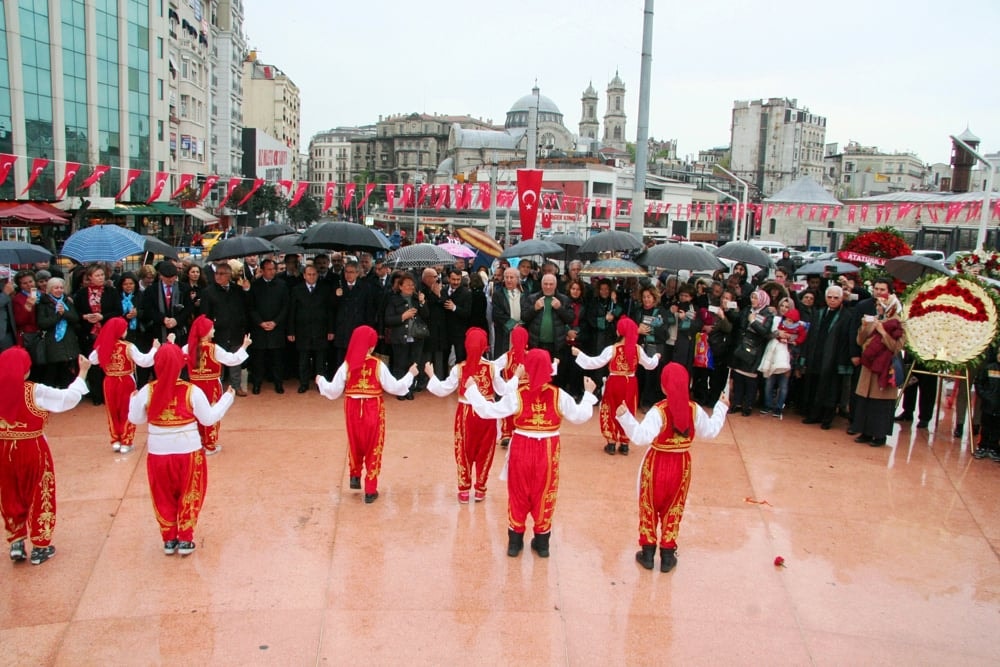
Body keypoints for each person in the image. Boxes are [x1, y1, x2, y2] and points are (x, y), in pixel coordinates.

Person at [464, 348, 597, 559]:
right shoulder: (558, 395)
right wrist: (589, 395)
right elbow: (580, 416)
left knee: (518, 492)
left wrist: (472, 391)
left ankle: (515, 542)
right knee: (544, 492)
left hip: (521, 448)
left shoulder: (518, 395)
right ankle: (542, 542)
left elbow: (488, 411)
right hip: (547, 449)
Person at [616, 362, 729, 573]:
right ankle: (668, 555)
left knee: (649, 505)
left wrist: (624, 417)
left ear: (664, 386)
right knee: (674, 507)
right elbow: (711, 431)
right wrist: (721, 407)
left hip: (656, 463)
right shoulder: (694, 410)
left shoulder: (659, 411)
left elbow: (640, 437)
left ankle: (648, 552)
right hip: (681, 465)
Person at [128, 343, 235, 556]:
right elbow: (208, 418)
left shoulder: (147, 391)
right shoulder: (191, 390)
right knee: (190, 492)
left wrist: (133, 402)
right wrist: (227, 399)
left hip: (158, 454)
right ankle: (185, 538)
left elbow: (135, 418)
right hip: (189, 451)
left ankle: (169, 540)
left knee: (163, 495)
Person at [0, 348, 90, 565]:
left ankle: (16, 542)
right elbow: (66, 399)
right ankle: (40, 546)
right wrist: (82, 373)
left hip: (3, 449)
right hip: (32, 448)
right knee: (40, 492)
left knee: (10, 493)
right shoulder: (34, 391)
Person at [317, 326, 417, 504]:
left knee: (355, 442)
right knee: (373, 445)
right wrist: (410, 375)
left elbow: (333, 391)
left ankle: (355, 475)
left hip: (352, 409)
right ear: (371, 346)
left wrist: (321, 381)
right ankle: (370, 489)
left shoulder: (347, 365)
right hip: (372, 408)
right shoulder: (377, 365)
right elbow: (394, 387)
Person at [426, 328, 505, 503]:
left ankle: (464, 489)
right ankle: (480, 490)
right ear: (485, 346)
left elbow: (443, 389)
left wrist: (431, 375)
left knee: (464, 450)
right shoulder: (492, 368)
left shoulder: (459, 369)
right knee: (486, 451)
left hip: (466, 414)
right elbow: (502, 390)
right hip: (487, 414)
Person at [574, 318, 659, 455]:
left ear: (620, 331)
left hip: (614, 382)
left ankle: (611, 443)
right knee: (628, 410)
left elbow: (595, 362)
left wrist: (579, 355)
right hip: (630, 384)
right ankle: (625, 443)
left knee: (611, 409)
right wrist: (656, 357)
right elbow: (650, 364)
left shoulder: (612, 349)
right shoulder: (638, 350)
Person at [183, 315, 251, 455]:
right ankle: (209, 444)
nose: (214, 330)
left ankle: (198, 442)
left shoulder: (188, 347)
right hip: (211, 386)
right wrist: (244, 346)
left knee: (195, 414)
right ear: (206, 331)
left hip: (194, 386)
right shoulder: (214, 349)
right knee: (212, 413)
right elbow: (232, 360)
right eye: (211, 328)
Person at [88, 317, 158, 454]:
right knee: (127, 410)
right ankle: (126, 440)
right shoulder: (128, 347)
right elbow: (144, 361)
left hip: (109, 381)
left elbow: (92, 360)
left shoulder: (103, 346)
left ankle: (115, 440)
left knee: (112, 411)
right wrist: (154, 349)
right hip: (125, 381)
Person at [849, 295, 904, 446]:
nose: (878, 308)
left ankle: (879, 435)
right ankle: (865, 431)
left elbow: (896, 347)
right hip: (868, 366)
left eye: (880, 305)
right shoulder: (874, 319)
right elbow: (860, 341)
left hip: (884, 368)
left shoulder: (897, 323)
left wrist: (883, 332)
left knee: (879, 403)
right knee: (865, 400)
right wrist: (865, 327)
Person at [801, 286, 854, 429]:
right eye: (830, 297)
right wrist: (804, 358)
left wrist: (843, 363)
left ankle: (827, 419)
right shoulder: (818, 313)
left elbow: (847, 341)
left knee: (830, 390)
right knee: (814, 387)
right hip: (816, 356)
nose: (832, 300)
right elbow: (810, 336)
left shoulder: (846, 316)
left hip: (833, 359)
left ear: (841, 298)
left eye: (836, 298)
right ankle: (813, 415)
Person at [197, 262, 251, 395]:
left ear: (229, 275)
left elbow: (247, 306)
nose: (218, 276)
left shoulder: (237, 290)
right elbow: (204, 313)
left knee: (235, 359)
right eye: (217, 273)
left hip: (235, 330)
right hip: (217, 332)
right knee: (217, 360)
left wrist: (246, 290)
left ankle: (236, 386)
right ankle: (218, 385)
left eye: (222, 274)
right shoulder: (208, 292)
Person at [287, 265, 334, 393]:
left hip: (321, 330)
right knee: (303, 360)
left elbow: (330, 311)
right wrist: (291, 331)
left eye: (314, 274)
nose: (311, 277)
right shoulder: (297, 290)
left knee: (320, 360)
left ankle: (321, 384)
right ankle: (304, 383)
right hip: (303, 330)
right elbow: (292, 311)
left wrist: (331, 330)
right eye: (309, 274)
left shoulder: (325, 289)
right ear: (304, 275)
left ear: (317, 275)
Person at [729, 289, 774, 417]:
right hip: (742, 347)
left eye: (755, 298)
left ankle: (747, 405)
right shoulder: (748, 310)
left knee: (750, 380)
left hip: (754, 349)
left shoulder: (767, 314)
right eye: (752, 297)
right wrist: (728, 311)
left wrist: (753, 322)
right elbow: (739, 321)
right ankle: (736, 403)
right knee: (738, 377)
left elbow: (765, 332)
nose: (753, 300)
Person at [383, 273, 429, 401]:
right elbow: (388, 319)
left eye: (412, 284)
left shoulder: (416, 299)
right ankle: (400, 390)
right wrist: (403, 316)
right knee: (400, 364)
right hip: (399, 337)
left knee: (413, 364)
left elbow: (426, 315)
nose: (410, 287)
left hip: (416, 337)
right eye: (407, 284)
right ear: (401, 286)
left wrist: (422, 302)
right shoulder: (393, 300)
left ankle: (409, 389)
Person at [248, 259, 288, 394]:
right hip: (260, 328)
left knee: (277, 358)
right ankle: (257, 383)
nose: (272, 272)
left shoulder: (282, 285)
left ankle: (278, 383)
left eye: (273, 269)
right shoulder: (255, 285)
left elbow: (285, 307)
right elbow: (251, 307)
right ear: (262, 270)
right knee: (258, 359)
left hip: (276, 327)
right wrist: (260, 322)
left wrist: (275, 322)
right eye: (269, 269)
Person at [35, 277, 82, 388]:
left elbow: (75, 318)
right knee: (52, 368)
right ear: (50, 289)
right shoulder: (43, 303)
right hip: (52, 339)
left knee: (67, 367)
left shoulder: (67, 301)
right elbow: (42, 323)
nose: (59, 290)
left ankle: (66, 392)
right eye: (56, 288)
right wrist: (58, 315)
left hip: (68, 338)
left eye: (61, 287)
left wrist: (64, 313)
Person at [331, 259, 375, 372]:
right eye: (346, 272)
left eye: (351, 272)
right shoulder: (338, 286)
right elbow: (331, 309)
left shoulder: (365, 287)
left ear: (357, 273)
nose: (348, 275)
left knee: (357, 356)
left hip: (358, 327)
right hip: (342, 328)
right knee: (341, 358)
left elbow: (369, 310)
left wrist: (368, 330)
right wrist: (337, 297)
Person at [493, 325, 529, 449]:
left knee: (506, 411)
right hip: (526, 392)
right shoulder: (530, 356)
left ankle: (507, 435)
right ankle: (525, 433)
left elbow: (493, 367)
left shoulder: (507, 356)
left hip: (510, 390)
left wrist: (499, 381)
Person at [973, 347, 1000, 462]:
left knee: (997, 428)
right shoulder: (988, 368)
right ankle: (982, 446)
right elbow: (979, 383)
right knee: (986, 426)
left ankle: (994, 448)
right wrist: (985, 396)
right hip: (988, 405)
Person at [491, 267, 525, 358]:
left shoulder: (524, 294)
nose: (508, 280)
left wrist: (521, 324)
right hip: (504, 332)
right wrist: (513, 324)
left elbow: (527, 310)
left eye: (511, 277)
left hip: (520, 331)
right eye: (506, 277)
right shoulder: (498, 294)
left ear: (517, 279)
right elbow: (497, 313)